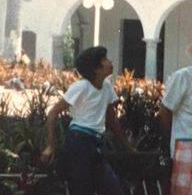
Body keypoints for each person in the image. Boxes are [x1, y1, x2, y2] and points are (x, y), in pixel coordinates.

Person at [41, 45, 133, 195]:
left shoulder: (107, 87)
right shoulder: (80, 87)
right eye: (104, 59)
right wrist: (50, 145)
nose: (110, 62)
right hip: (78, 143)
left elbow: (111, 120)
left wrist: (127, 146)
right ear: (96, 69)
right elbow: (53, 113)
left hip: (96, 144)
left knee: (113, 189)